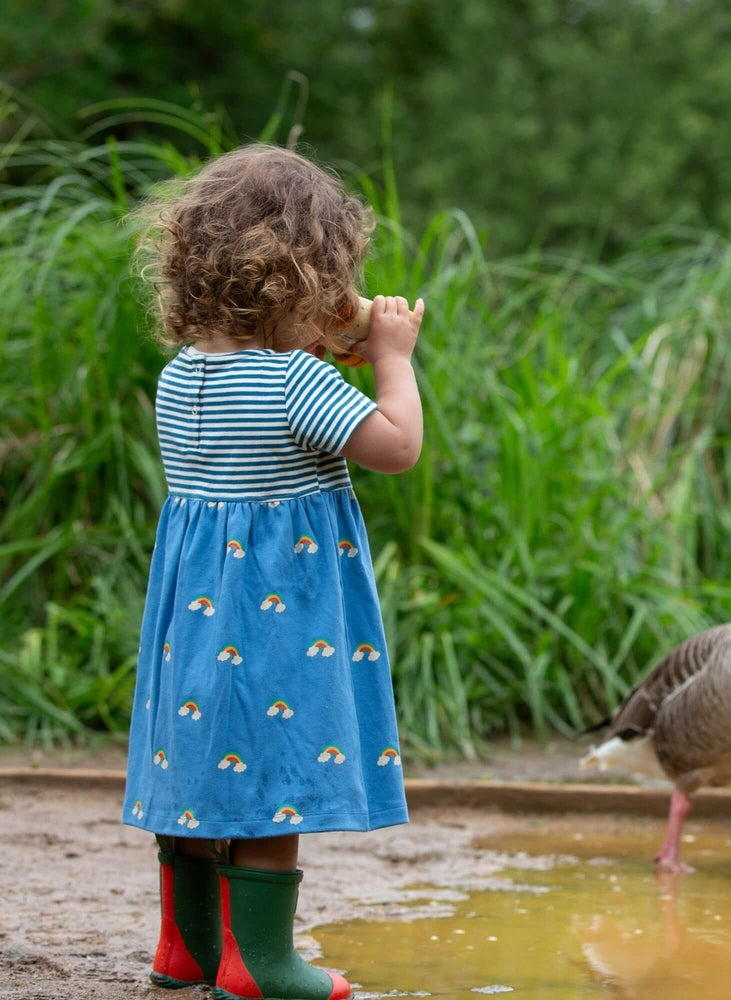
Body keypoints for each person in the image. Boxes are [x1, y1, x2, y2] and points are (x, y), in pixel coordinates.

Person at [121, 143, 424, 1000]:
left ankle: (186, 948)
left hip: (197, 624)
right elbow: (397, 447)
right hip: (278, 623)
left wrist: (328, 354)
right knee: (272, 769)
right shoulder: (293, 382)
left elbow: (254, 441)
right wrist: (394, 355)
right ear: (303, 280)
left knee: (203, 763)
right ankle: (258, 964)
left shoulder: (182, 378)